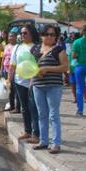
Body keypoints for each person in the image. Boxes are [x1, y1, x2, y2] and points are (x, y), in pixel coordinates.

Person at [31, 25, 68, 154]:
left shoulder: (59, 50)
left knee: (53, 115)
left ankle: (56, 143)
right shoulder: (35, 49)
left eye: (52, 34)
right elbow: (29, 65)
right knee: (42, 114)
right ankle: (43, 140)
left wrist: (47, 69)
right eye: (46, 34)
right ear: (41, 35)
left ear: (56, 36)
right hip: (37, 85)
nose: (49, 37)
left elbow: (64, 67)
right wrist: (34, 73)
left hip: (53, 86)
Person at [8, 25, 40, 143]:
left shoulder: (37, 47)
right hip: (19, 82)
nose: (22, 35)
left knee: (34, 108)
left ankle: (36, 133)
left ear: (31, 33)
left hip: (33, 82)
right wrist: (9, 80)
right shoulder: (17, 48)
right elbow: (12, 66)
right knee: (24, 108)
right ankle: (27, 131)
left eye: (25, 33)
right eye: (21, 33)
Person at [2, 31, 20, 113]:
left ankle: (18, 107)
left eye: (12, 36)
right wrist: (1, 69)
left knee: (16, 90)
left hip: (15, 71)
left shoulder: (18, 47)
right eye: (9, 36)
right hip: (6, 70)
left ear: (16, 37)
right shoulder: (6, 46)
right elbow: (3, 58)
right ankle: (11, 105)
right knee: (9, 89)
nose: (10, 38)